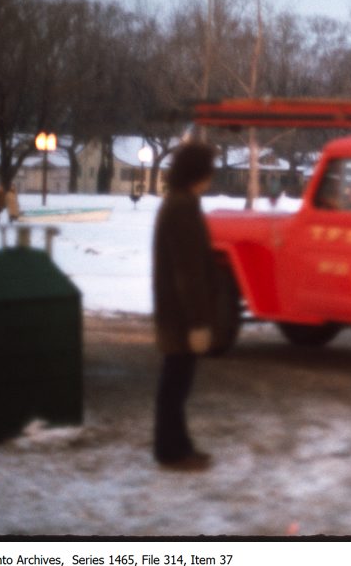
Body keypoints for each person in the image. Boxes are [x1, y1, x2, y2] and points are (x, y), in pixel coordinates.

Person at [152, 141, 219, 472]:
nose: (211, 176)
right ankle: (171, 451)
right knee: (175, 385)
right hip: (181, 316)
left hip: (175, 312)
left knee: (176, 384)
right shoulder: (183, 208)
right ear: (198, 173)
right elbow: (188, 272)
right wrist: (197, 323)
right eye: (208, 169)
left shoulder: (180, 203)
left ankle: (178, 447)